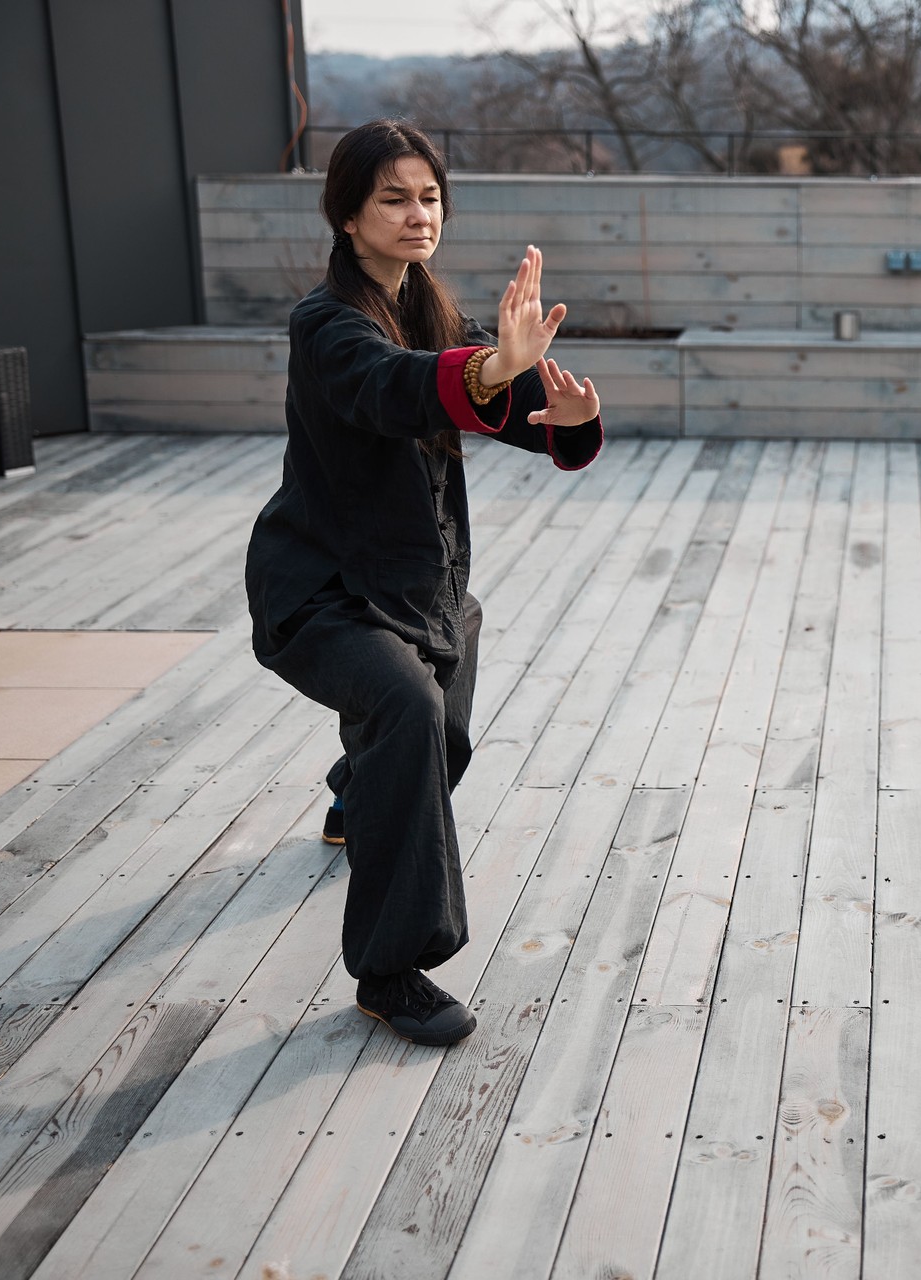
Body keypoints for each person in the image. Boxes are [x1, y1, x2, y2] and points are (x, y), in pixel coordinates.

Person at [244, 119, 603, 1047]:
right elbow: (401, 387)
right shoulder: (327, 325)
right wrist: (490, 369)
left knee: (434, 737)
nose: (417, 214)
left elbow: (493, 391)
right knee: (405, 712)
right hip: (320, 591)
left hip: (422, 588)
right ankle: (391, 971)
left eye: (429, 196)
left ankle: (354, 794)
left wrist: (561, 412)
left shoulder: (432, 311)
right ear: (349, 214)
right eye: (394, 198)